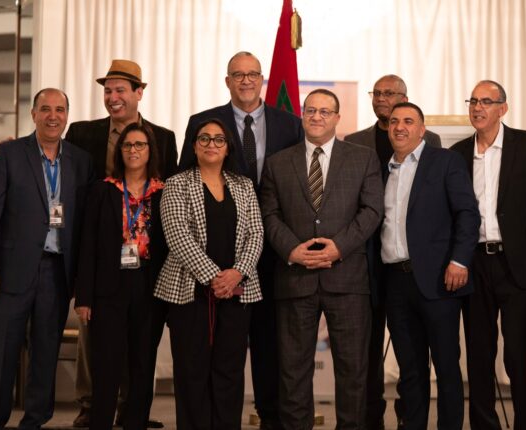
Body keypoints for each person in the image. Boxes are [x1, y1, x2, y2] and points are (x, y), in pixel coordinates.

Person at [178, 51, 303, 430]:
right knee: (219, 351)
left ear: (262, 79)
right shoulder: (202, 122)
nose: (246, 80)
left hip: (274, 252)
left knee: (269, 342)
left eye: (252, 74)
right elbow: (185, 178)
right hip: (216, 257)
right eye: (238, 74)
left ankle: (270, 417)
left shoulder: (290, 124)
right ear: (227, 80)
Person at [259, 89, 383, 429]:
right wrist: (291, 250)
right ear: (302, 115)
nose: (317, 117)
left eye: (325, 111)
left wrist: (339, 247)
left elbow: (372, 210)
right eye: (311, 110)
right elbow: (269, 214)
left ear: (337, 117)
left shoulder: (363, 158)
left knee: (353, 371)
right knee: (292, 372)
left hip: (348, 279)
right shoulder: (277, 163)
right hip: (294, 279)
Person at [0, 88, 94, 430]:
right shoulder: (9, 154)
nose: (52, 116)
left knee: (45, 352)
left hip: (57, 273)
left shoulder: (80, 161)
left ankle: (35, 421)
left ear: (67, 115)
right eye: (45, 109)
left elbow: (83, 222)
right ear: (33, 114)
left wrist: (80, 277)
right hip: (9, 272)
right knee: (3, 352)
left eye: (59, 110)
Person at [66, 59, 176, 428]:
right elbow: (59, 164)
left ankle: (132, 412)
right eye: (108, 90)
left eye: (121, 90)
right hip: (102, 258)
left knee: (141, 350)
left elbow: (170, 201)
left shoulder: (163, 138)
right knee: (98, 348)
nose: (113, 97)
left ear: (139, 93)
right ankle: (92, 407)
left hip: (146, 270)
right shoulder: (83, 133)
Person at [344, 75, 441, 429]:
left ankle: (407, 416)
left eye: (390, 93)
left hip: (410, 263)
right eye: (377, 93)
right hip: (366, 261)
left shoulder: (430, 141)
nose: (382, 98)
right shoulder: (354, 142)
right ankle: (371, 417)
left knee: (412, 349)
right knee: (367, 348)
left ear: (404, 97)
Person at [155, 118, 264, 429]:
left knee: (230, 372)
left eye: (219, 139)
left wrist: (236, 274)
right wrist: (216, 277)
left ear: (228, 147)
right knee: (192, 372)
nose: (211, 144)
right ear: (194, 145)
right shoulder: (177, 184)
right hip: (189, 293)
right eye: (204, 138)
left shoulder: (244, 186)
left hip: (237, 293)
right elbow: (177, 235)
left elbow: (256, 233)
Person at [450, 80, 526, 430]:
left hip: (517, 264)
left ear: (503, 108)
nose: (477, 108)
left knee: (519, 357)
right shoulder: (458, 153)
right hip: (474, 264)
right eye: (473, 101)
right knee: (479, 355)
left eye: (486, 102)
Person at [381, 102, 479, 429]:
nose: (400, 127)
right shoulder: (382, 169)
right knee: (410, 371)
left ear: (422, 129)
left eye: (408, 121)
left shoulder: (445, 161)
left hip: (439, 280)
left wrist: (459, 260)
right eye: (394, 121)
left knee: (446, 367)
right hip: (395, 283)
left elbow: (467, 213)